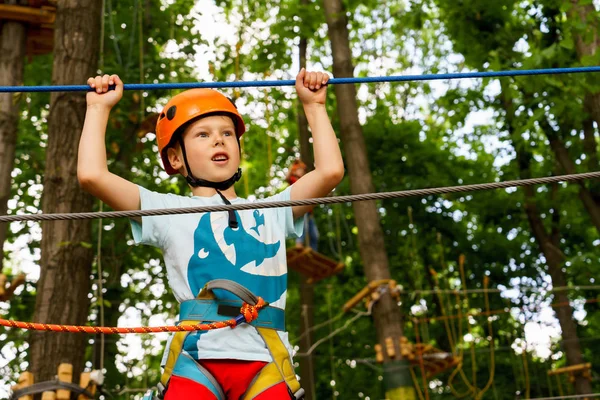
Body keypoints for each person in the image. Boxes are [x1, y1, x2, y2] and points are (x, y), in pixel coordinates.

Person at [77, 69, 344, 400]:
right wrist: (98, 108)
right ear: (175, 158)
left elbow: (330, 172)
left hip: (267, 361)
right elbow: (92, 175)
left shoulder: (274, 210)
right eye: (202, 135)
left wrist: (315, 106)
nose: (219, 140)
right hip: (196, 361)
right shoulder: (167, 211)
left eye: (227, 133)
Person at [286, 160, 319, 250]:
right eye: (300, 170)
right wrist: (293, 165)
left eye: (303, 170)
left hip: (308, 211)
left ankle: (313, 251)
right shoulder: (294, 180)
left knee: (314, 234)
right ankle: (299, 244)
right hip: (300, 208)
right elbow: (287, 177)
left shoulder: (305, 182)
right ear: (295, 171)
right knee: (303, 228)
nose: (302, 171)